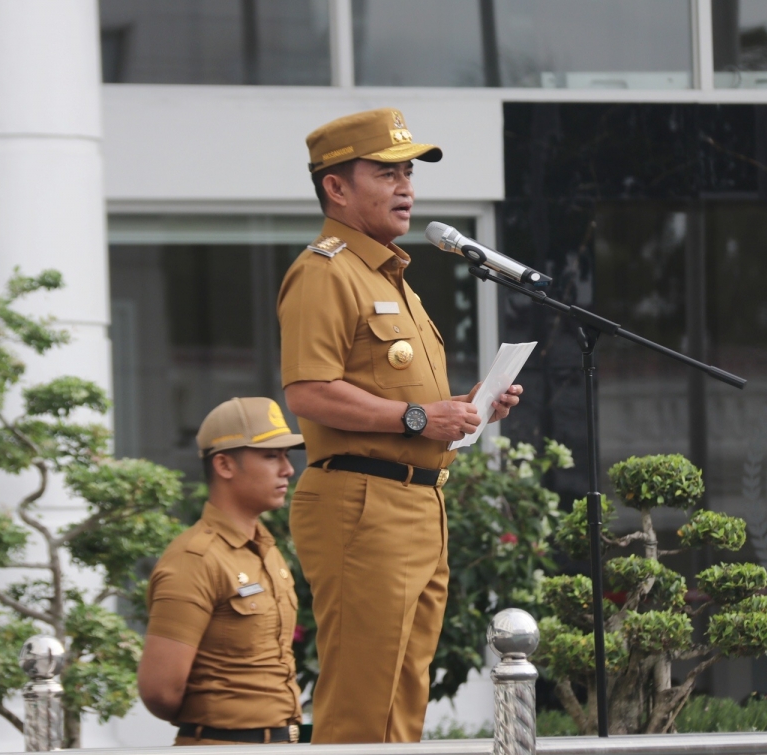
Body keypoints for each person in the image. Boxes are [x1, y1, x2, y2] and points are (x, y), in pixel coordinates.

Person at [277, 108, 520, 744]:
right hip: (363, 503)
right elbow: (308, 390)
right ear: (336, 186)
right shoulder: (324, 271)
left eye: (408, 171)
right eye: (387, 172)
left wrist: (469, 410)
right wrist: (418, 416)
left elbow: (405, 403)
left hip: (416, 503)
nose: (406, 186)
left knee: (403, 697)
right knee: (364, 700)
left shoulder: (393, 279)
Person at [138, 397, 306, 746]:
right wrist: (220, 719)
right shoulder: (194, 558)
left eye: (286, 456)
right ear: (225, 465)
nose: (287, 470)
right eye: (271, 456)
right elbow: (159, 690)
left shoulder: (266, 549)